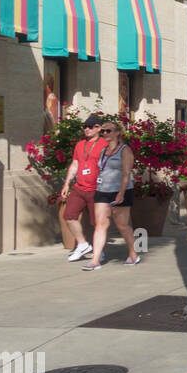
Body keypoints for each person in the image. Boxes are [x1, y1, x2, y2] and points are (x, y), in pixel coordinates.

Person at [81, 119, 140, 270]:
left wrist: (120, 194)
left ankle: (133, 254)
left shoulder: (125, 150)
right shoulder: (103, 150)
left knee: (122, 225)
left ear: (118, 133)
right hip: (102, 190)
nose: (105, 133)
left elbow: (126, 174)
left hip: (120, 191)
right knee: (101, 225)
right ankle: (95, 260)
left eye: (109, 131)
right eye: (103, 131)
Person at [60, 115, 107, 262]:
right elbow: (75, 164)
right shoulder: (80, 145)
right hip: (79, 188)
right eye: (85, 126)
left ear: (99, 128)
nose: (87, 129)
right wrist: (67, 183)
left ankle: (100, 250)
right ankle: (82, 245)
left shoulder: (105, 144)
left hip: (97, 189)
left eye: (90, 126)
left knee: (97, 223)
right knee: (69, 216)